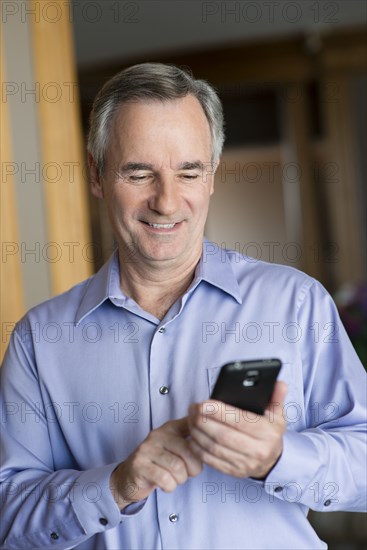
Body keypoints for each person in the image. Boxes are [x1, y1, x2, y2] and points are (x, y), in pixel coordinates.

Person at [0, 63, 366, 550]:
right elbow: (8, 515)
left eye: (188, 172)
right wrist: (117, 485)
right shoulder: (38, 340)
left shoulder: (295, 303)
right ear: (96, 174)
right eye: (139, 172)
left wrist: (278, 458)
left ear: (211, 175)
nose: (167, 202)